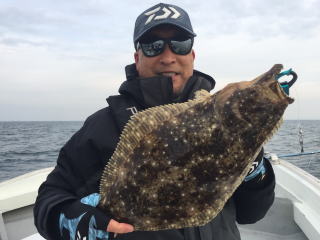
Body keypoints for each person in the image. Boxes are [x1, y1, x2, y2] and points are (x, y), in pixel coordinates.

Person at [34, 3, 275, 240]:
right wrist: (74, 220)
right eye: (153, 46)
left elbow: (252, 213)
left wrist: (254, 169)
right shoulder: (102, 127)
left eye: (180, 44)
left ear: (192, 54)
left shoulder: (230, 121)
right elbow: (50, 200)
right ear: (137, 58)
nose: (168, 57)